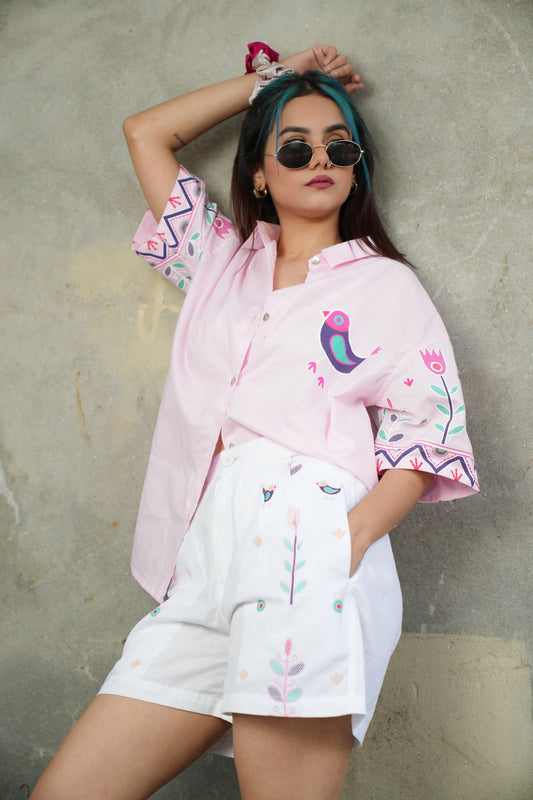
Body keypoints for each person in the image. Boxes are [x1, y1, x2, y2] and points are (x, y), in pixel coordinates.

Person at [31, 44, 478, 800]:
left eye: (340, 147)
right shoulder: (218, 262)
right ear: (260, 174)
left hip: (309, 547)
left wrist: (349, 538)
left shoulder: (384, 286)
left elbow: (424, 437)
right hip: (204, 560)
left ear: (357, 167)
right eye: (294, 146)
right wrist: (276, 81)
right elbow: (145, 132)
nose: (320, 158)